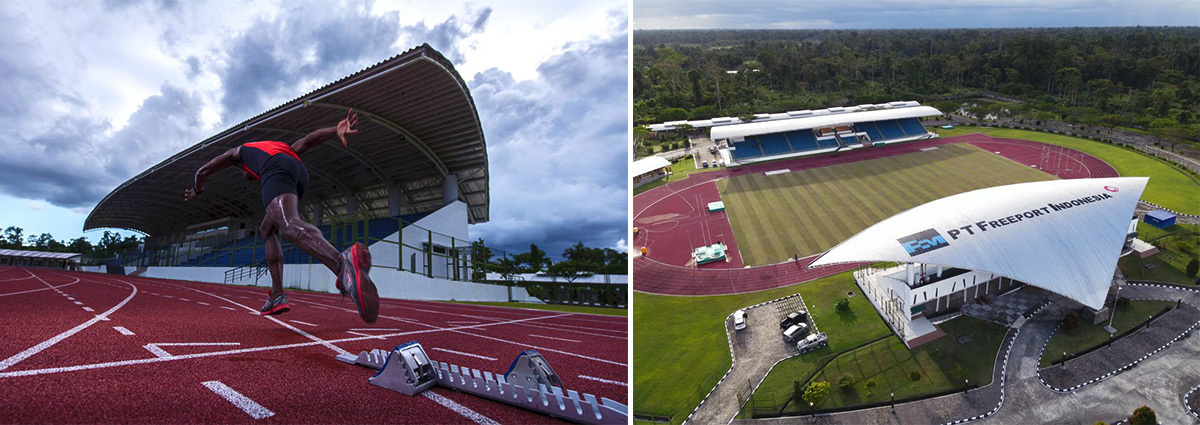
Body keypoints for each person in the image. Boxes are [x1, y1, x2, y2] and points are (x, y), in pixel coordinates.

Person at [184, 109, 379, 323]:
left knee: (288, 226)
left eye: (248, 175)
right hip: (298, 173)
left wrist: (198, 190)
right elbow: (309, 140)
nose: (250, 178)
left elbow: (201, 172)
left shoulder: (237, 153)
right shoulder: (281, 147)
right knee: (267, 229)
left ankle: (343, 267)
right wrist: (336, 129)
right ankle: (277, 294)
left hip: (276, 169)